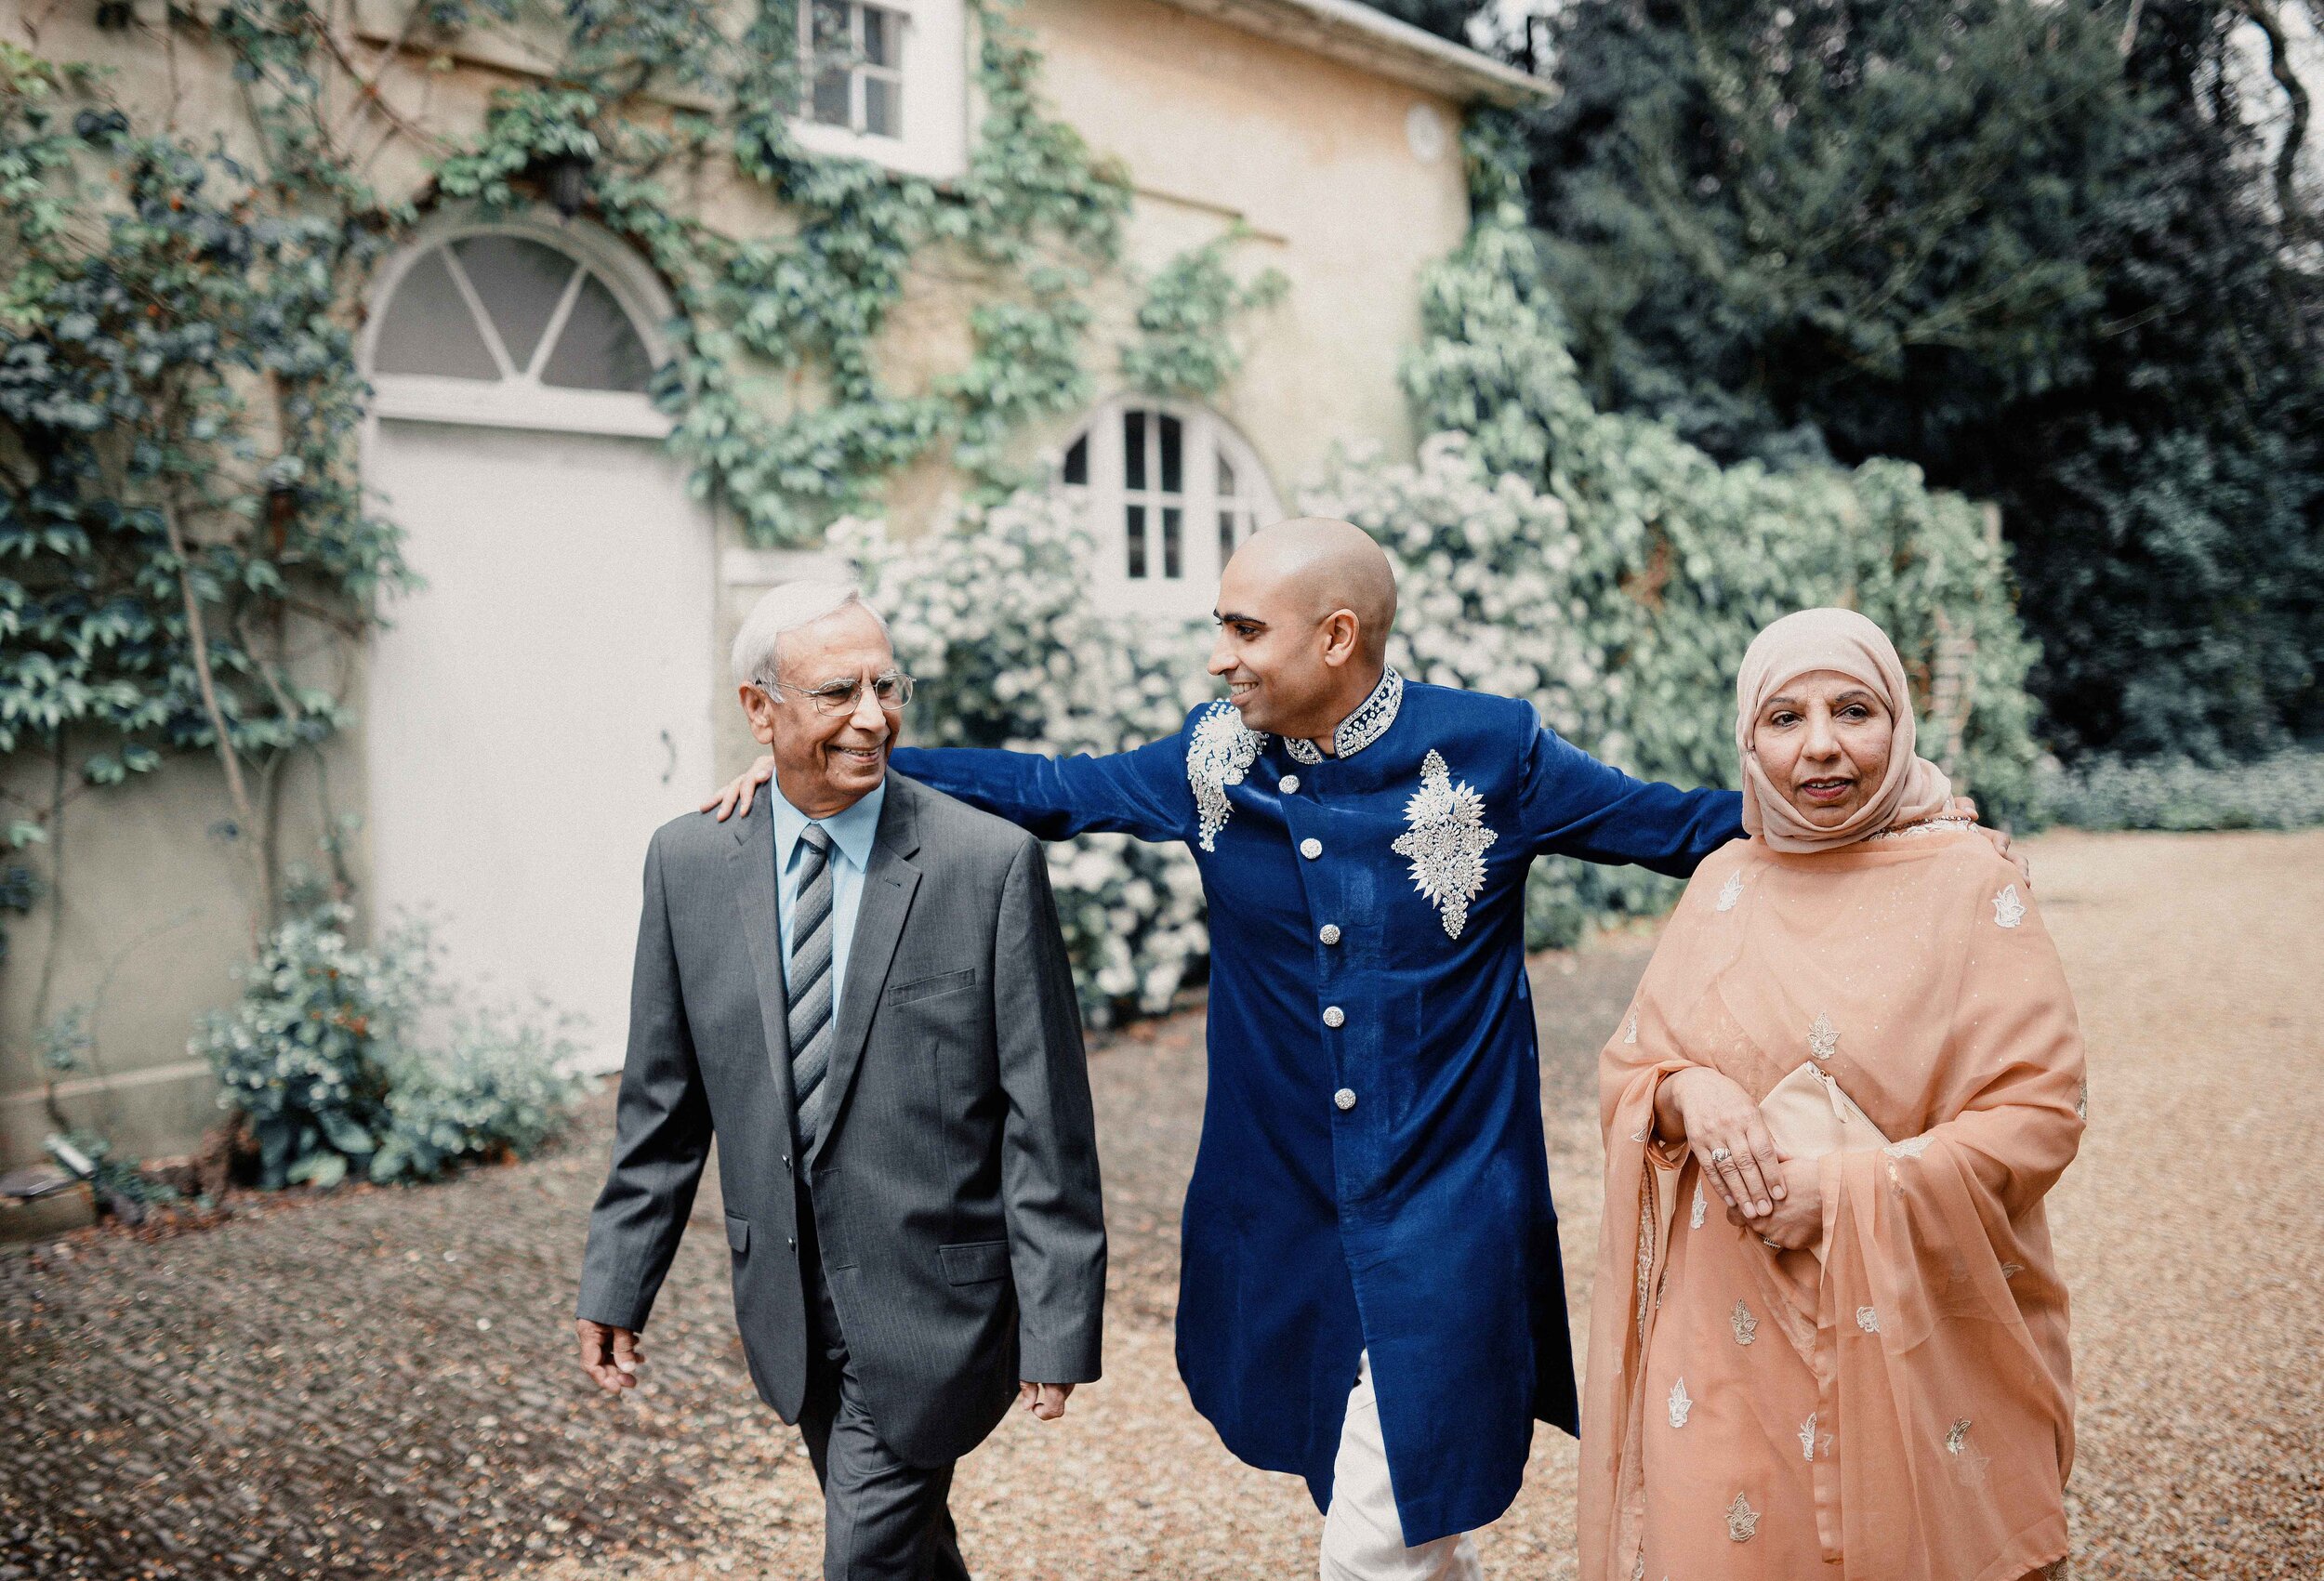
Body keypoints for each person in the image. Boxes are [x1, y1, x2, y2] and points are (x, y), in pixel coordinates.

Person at [713, 520, 1758, 1579]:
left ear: (1337, 636)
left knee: (1368, 1547)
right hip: (1287, 1215)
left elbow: (1679, 827)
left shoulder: (1494, 751)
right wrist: (847, 765)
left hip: (1452, 1216)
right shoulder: (1214, 756)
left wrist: (1870, 813)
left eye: (1244, 629)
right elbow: (1058, 790)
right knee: (1391, 1510)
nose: (1219, 655)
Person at [577, 582, 1106, 1581]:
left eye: (885, 684)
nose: (873, 716)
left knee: (865, 1557)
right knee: (904, 1554)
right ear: (757, 709)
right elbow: (662, 1104)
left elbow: (1046, 1119)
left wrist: (1058, 1318)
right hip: (784, 1299)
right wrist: (617, 1278)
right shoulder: (688, 864)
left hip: (937, 1303)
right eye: (835, 693)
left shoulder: (984, 866)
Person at [1580, 607, 2082, 1581]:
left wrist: (1852, 1194)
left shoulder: (1971, 885)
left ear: (1897, 724)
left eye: (1853, 710)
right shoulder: (1723, 882)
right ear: (1747, 739)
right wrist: (1690, 1096)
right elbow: (1634, 1066)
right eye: (1783, 717)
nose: (1819, 746)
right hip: (1725, 1331)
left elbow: (2037, 1113)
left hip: (1920, 1319)